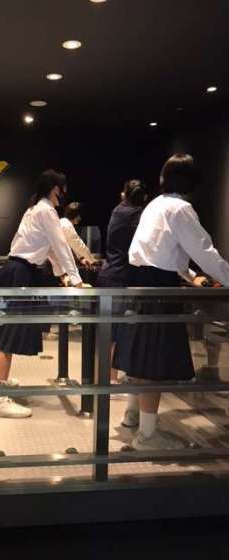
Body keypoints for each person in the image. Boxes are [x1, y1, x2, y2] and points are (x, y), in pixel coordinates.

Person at [116, 154, 229, 450]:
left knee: (141, 355)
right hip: (159, 287)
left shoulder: (155, 204)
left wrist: (189, 275)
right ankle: (147, 436)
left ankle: (132, 415)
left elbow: (162, 250)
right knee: (152, 361)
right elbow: (205, 251)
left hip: (140, 282)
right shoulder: (181, 208)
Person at [0, 169, 83, 418]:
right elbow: (60, 246)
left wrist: (63, 275)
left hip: (12, 270)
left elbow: (49, 248)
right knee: (6, 337)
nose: (64, 194)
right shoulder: (47, 211)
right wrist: (75, 279)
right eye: (63, 189)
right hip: (20, 274)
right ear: (56, 189)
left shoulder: (33, 209)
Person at [97, 180, 148, 383]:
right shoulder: (139, 215)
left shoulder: (118, 210)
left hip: (109, 274)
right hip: (121, 278)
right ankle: (109, 381)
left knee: (108, 334)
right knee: (117, 334)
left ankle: (105, 379)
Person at [60, 202, 97, 269]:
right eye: (79, 216)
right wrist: (92, 260)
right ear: (75, 215)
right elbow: (78, 245)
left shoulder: (62, 222)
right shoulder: (67, 225)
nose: (80, 219)